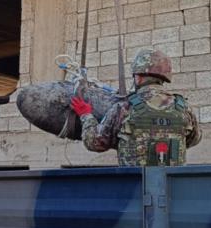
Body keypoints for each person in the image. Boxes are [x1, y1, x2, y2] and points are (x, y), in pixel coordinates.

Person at [71, 48, 201, 166]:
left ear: (138, 77)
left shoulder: (124, 108)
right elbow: (194, 139)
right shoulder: (183, 108)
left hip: (135, 187)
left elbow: (95, 143)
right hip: (174, 187)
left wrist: (86, 115)